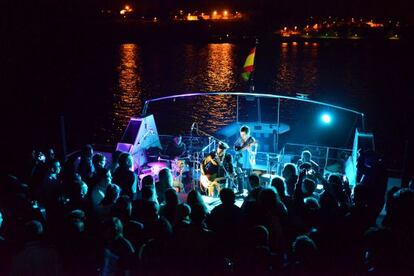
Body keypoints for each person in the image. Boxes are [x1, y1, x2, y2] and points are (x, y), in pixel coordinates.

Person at [234, 125, 258, 193]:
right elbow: (236, 148)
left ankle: (250, 192)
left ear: (248, 133)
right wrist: (241, 148)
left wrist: (249, 149)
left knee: (248, 178)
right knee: (239, 176)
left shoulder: (252, 140)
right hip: (240, 161)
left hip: (248, 162)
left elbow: (254, 153)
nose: (242, 136)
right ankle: (240, 190)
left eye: (244, 134)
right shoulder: (240, 139)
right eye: (241, 134)